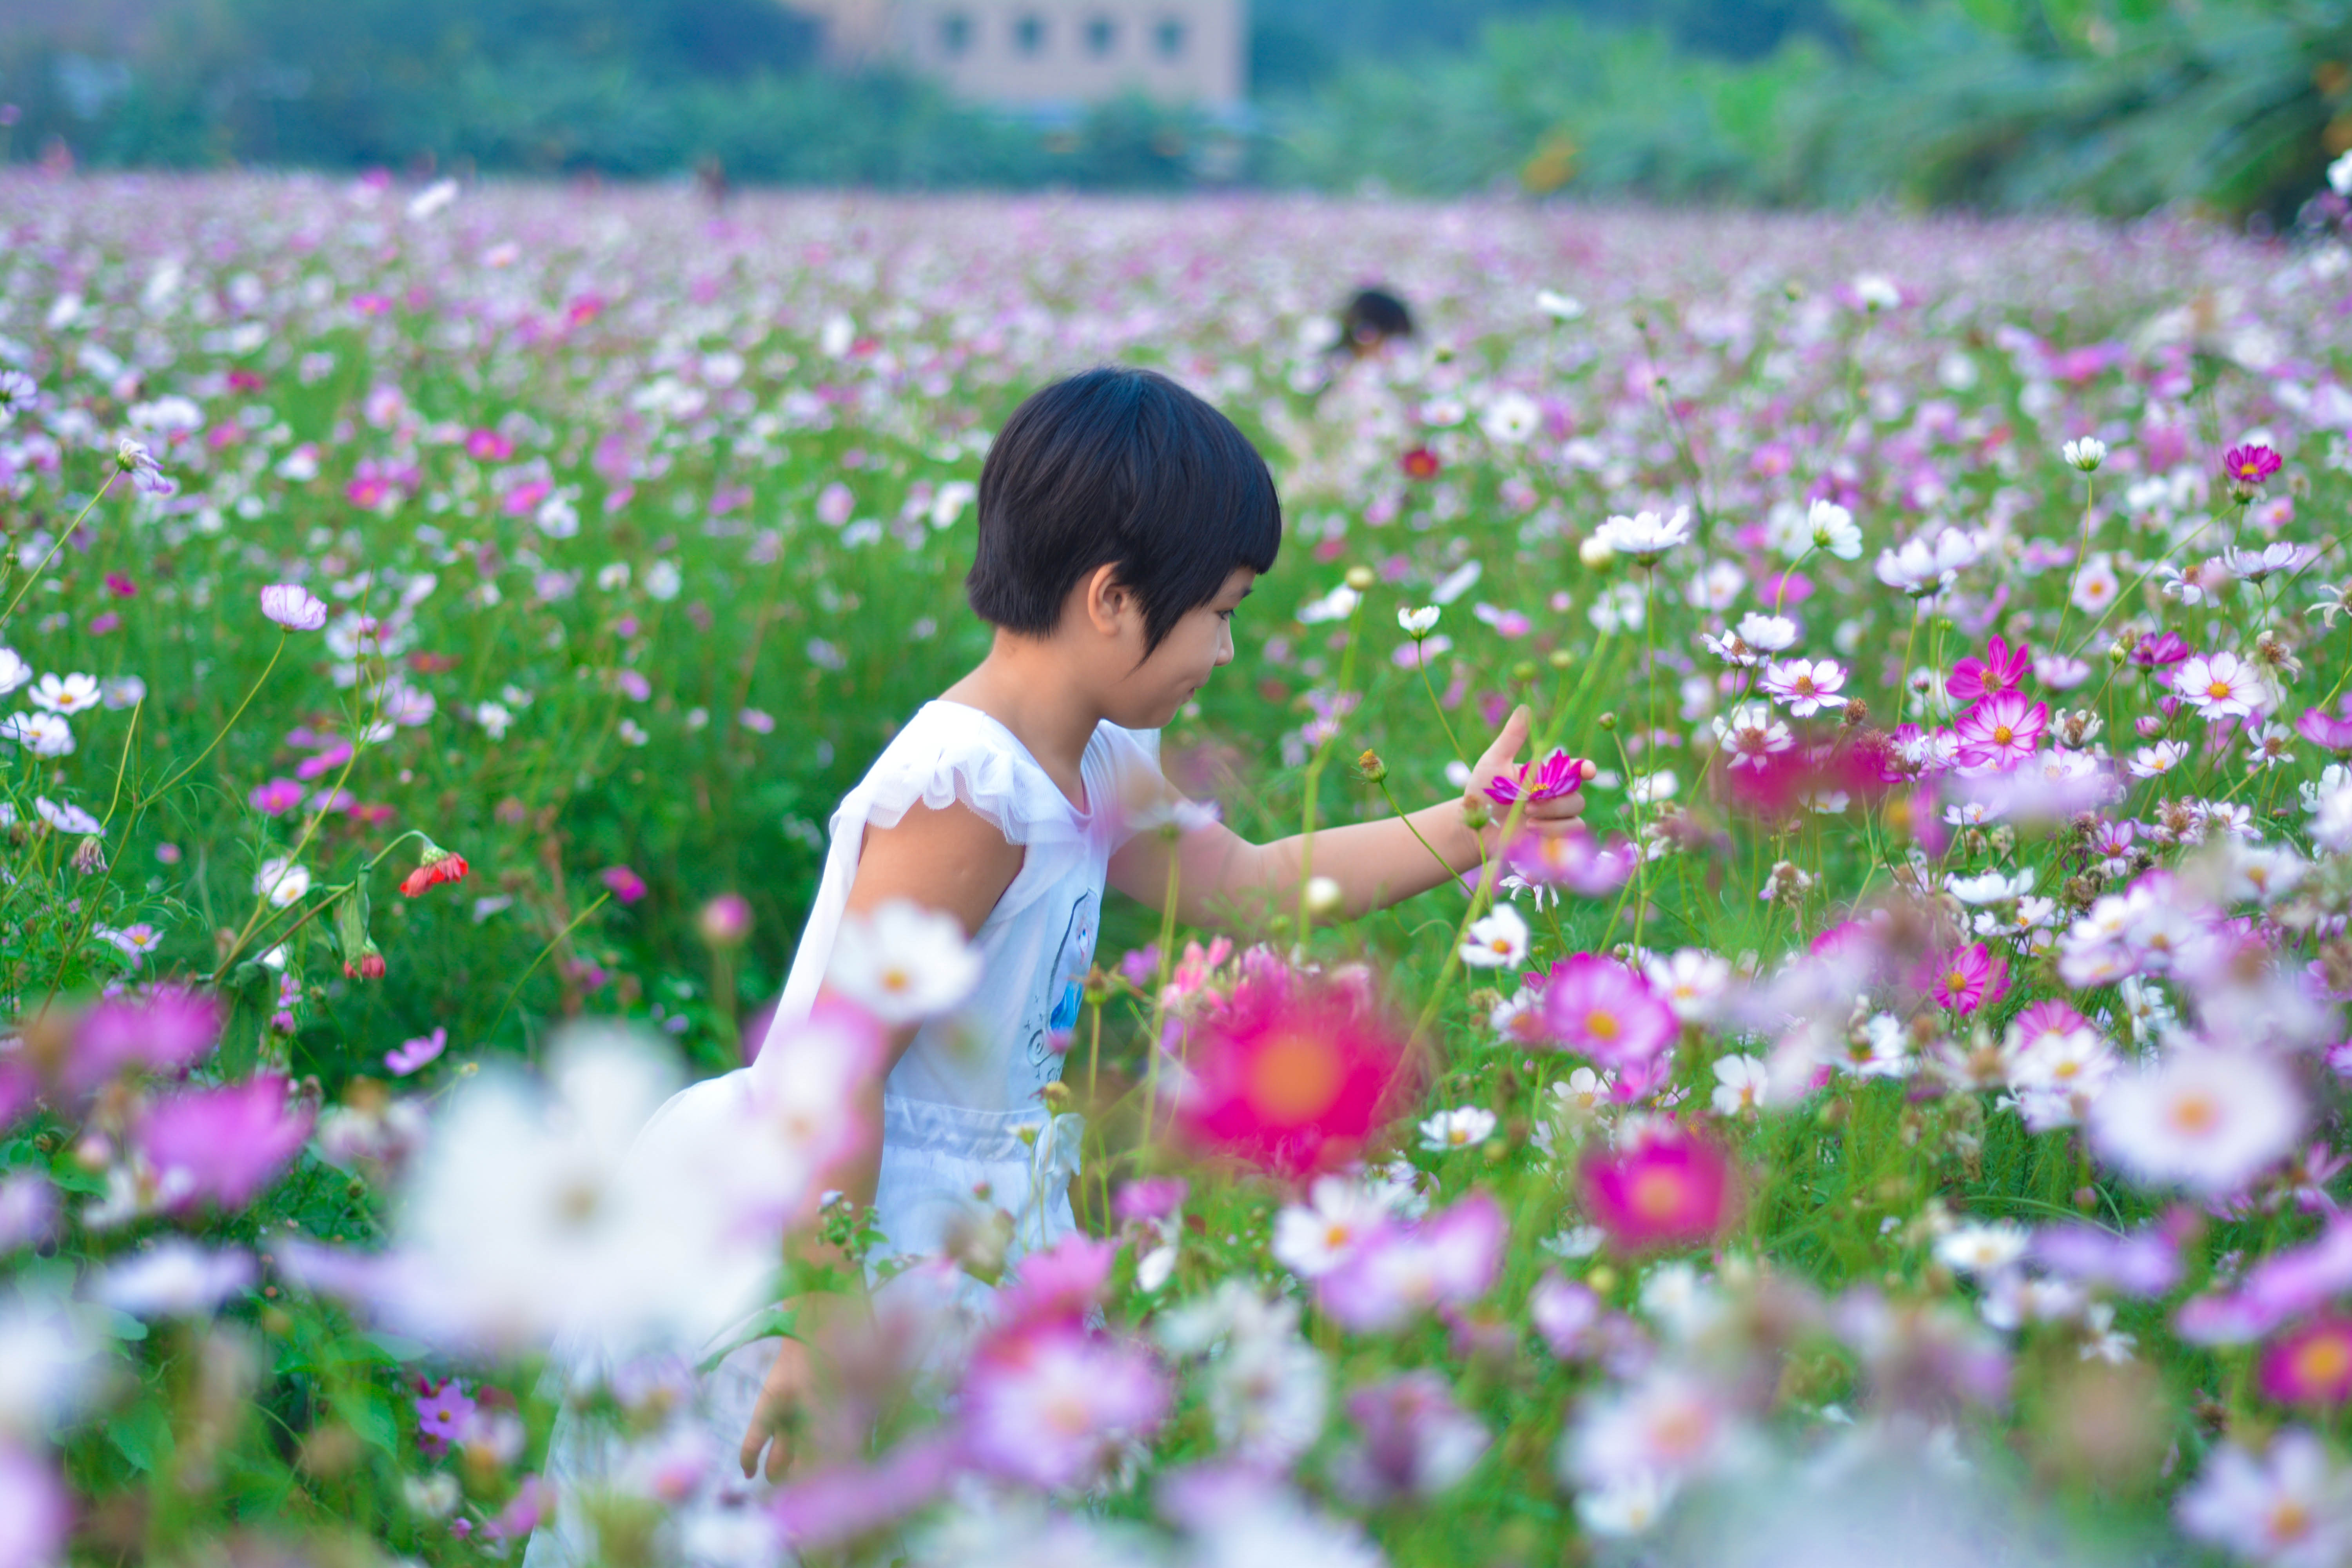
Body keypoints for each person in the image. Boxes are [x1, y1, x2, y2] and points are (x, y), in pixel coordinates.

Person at [526, 367, 1587, 1557]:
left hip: (958, 1212)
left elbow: (1246, 886)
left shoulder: (1092, 763)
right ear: (1112, 598)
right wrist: (821, 1315)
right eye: (1221, 611)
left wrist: (1462, 828)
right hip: (839, 1221)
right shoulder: (972, 794)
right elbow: (835, 1067)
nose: (1226, 650)